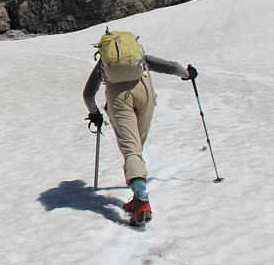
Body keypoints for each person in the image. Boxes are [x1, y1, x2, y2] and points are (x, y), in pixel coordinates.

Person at [83, 32, 197, 227]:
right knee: (137, 146)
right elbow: (173, 67)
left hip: (118, 98)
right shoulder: (137, 56)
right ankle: (138, 194)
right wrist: (188, 75)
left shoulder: (105, 62)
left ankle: (142, 200)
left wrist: (95, 114)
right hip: (144, 93)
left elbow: (88, 94)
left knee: (131, 149)